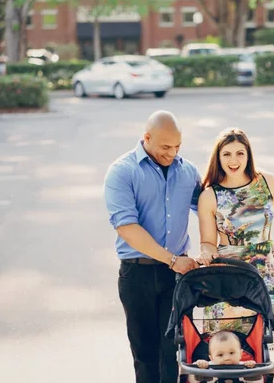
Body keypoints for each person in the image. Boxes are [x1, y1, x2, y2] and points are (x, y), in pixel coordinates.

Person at [104, 110, 202, 383]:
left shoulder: (188, 171)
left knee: (172, 351)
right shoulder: (122, 172)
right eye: (165, 147)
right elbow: (127, 228)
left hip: (176, 277)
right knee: (145, 354)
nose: (172, 153)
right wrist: (172, 259)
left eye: (177, 146)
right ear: (146, 137)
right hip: (138, 275)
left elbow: (211, 208)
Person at [195, 127, 274, 350]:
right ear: (218, 158)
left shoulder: (267, 181)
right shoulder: (210, 195)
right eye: (227, 154)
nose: (234, 160)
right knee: (226, 344)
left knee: (261, 345)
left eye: (240, 153)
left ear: (248, 154)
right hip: (229, 272)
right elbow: (208, 241)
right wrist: (206, 251)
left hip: (264, 270)